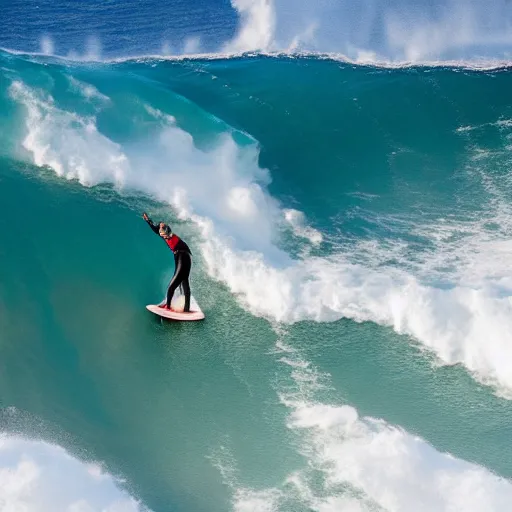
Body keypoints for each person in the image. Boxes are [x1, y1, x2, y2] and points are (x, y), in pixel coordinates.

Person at [143, 212, 192, 312]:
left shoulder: (169, 234)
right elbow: (155, 229)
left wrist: (162, 225)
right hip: (182, 257)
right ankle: (186, 308)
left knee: (172, 286)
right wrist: (148, 220)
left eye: (166, 235)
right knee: (183, 282)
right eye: (163, 236)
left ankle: (168, 307)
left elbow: (164, 230)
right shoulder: (163, 233)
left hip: (183, 257)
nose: (165, 237)